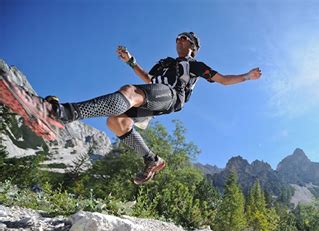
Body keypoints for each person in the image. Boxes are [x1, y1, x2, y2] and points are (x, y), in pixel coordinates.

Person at [49, 32, 262, 185]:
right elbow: (148, 78)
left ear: (193, 47)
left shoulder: (194, 65)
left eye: (184, 38)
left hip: (172, 96)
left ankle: (64, 112)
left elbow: (223, 79)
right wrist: (131, 61)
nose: (179, 40)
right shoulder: (165, 63)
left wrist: (246, 76)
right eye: (177, 38)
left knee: (128, 91)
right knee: (115, 121)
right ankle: (152, 159)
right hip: (156, 93)